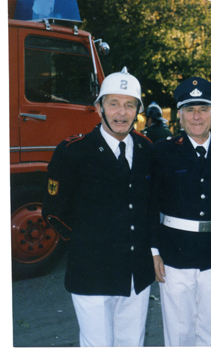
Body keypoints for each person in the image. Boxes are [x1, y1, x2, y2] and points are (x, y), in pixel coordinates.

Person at [42, 67, 155, 347]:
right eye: (113, 103)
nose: (121, 112)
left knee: (132, 343)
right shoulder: (73, 151)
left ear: (138, 110)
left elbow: (150, 207)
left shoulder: (147, 149)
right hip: (91, 271)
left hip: (135, 272)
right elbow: (54, 211)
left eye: (129, 105)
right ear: (99, 107)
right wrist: (86, 243)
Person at [150, 76, 211, 346]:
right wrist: (154, 250)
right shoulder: (162, 152)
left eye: (203, 109)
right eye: (190, 110)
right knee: (178, 331)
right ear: (179, 115)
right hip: (174, 253)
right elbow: (149, 205)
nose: (196, 116)